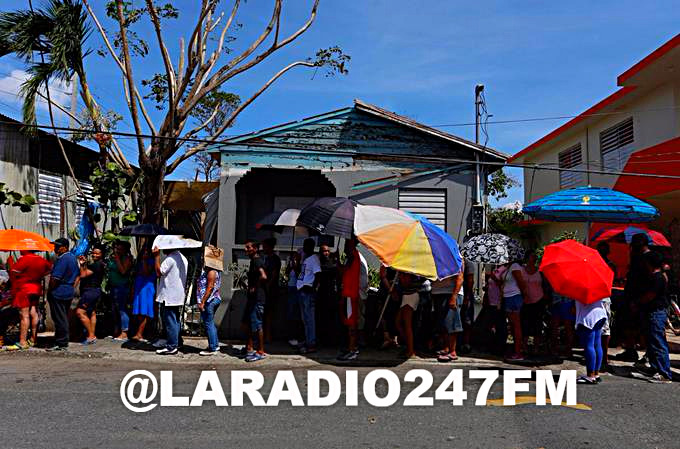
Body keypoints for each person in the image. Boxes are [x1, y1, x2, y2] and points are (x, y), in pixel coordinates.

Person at [638, 251, 673, 383]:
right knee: (652, 342)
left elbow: (650, 296)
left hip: (656, 312)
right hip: (653, 312)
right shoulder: (656, 276)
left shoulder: (657, 278)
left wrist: (638, 302)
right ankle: (655, 368)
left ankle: (664, 373)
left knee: (658, 343)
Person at [6, 250, 51, 350]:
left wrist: (11, 268)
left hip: (24, 289)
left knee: (24, 315)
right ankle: (33, 339)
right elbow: (49, 270)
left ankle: (22, 341)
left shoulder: (24, 259)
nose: (20, 250)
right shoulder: (41, 259)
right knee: (33, 312)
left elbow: (13, 273)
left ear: (26, 249)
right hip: (36, 288)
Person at [153, 246, 188, 355]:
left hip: (169, 295)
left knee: (170, 321)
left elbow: (159, 272)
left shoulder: (170, 259)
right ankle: (178, 342)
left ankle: (172, 346)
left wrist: (156, 257)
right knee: (175, 320)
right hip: (176, 295)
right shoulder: (183, 257)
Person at [337, 237, 367, 361]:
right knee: (350, 321)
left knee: (352, 322)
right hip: (350, 293)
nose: (344, 246)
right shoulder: (354, 256)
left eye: (347, 243)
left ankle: (352, 349)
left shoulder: (353, 256)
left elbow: (343, 271)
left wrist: (337, 262)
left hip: (352, 293)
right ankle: (351, 347)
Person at [47, 238, 79, 351]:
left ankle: (61, 342)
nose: (55, 248)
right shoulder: (72, 258)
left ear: (65, 247)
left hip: (59, 291)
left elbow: (55, 278)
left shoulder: (63, 259)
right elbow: (77, 276)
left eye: (58, 246)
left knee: (60, 318)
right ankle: (62, 340)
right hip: (68, 290)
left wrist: (50, 290)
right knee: (63, 316)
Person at [494, 259, 528, 361]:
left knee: (516, 326)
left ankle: (518, 352)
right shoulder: (508, 268)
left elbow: (521, 282)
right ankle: (516, 350)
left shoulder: (515, 266)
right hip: (507, 297)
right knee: (512, 325)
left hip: (514, 297)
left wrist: (524, 296)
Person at [433, 266, 464, 362]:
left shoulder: (456, 256)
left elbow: (460, 277)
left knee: (451, 323)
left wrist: (454, 296)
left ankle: (452, 351)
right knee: (443, 324)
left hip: (450, 292)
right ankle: (446, 348)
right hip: (438, 292)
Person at [243, 240, 267, 362]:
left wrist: (255, 287)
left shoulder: (257, 261)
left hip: (258, 298)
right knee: (248, 323)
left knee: (257, 325)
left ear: (256, 249)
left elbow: (263, 276)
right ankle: (250, 347)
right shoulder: (254, 261)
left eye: (248, 248)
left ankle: (261, 351)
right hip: (253, 298)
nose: (246, 250)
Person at [76, 246, 105, 345]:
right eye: (93, 253)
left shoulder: (96, 265)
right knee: (91, 312)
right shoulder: (100, 264)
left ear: (102, 255)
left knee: (80, 312)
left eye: (97, 253)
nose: (94, 255)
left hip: (90, 291)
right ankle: (92, 335)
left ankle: (91, 335)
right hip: (95, 290)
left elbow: (83, 275)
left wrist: (81, 264)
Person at [296, 238, 321, 354]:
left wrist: (313, 288)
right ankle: (307, 340)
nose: (304, 248)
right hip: (301, 290)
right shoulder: (306, 259)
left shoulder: (314, 259)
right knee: (304, 319)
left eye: (306, 246)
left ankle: (311, 343)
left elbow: (318, 274)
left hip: (308, 291)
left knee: (309, 319)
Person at [575, 298, 608, 384]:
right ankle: (596, 374)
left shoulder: (580, 287)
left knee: (589, 345)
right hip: (600, 314)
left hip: (588, 317)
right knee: (597, 344)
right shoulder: (597, 285)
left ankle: (590, 376)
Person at [197, 246, 223, 356]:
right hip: (211, 299)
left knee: (208, 323)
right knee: (210, 323)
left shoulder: (212, 271)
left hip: (209, 300)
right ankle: (214, 344)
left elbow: (210, 287)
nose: (203, 257)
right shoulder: (210, 269)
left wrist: (202, 301)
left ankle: (213, 347)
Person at [107, 240, 133, 342]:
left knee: (122, 309)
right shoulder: (113, 258)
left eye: (119, 249)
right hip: (113, 286)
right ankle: (116, 330)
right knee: (115, 310)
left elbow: (123, 271)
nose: (117, 250)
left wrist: (117, 258)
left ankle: (124, 332)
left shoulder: (127, 258)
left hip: (122, 287)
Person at [521, 252, 546, 355]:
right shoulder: (521, 270)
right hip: (525, 301)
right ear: (527, 259)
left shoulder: (540, 271)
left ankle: (536, 347)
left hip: (538, 301)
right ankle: (524, 346)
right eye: (532, 257)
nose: (534, 259)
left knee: (537, 325)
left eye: (535, 257)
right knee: (525, 324)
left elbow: (544, 285)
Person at [130, 244, 157, 342]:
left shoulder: (151, 261)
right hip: (139, 286)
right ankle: (140, 332)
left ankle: (140, 333)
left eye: (147, 251)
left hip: (146, 287)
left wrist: (145, 260)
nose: (145, 252)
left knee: (144, 311)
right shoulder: (139, 261)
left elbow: (147, 272)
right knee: (138, 310)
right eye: (144, 250)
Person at [395, 271, 424, 359]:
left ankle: (411, 351)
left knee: (407, 325)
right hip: (406, 295)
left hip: (411, 295)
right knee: (398, 323)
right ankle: (410, 346)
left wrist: (400, 276)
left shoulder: (409, 270)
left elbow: (406, 283)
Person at [596, 241, 616, 369]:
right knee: (603, 329)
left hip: (601, 297)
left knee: (602, 329)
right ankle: (603, 356)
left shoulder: (607, 265)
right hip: (602, 297)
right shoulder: (609, 265)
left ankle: (603, 356)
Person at [317, 244, 339, 347]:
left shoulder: (333, 262)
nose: (326, 253)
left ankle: (332, 340)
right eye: (324, 251)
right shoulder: (318, 263)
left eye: (327, 251)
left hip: (332, 293)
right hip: (322, 293)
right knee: (322, 317)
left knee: (332, 318)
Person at [262, 237, 281, 343]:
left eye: (265, 246)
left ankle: (268, 336)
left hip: (271, 289)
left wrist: (268, 285)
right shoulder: (266, 258)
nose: (263, 248)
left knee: (268, 313)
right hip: (265, 287)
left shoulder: (275, 259)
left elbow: (274, 274)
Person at [285, 251, 303, 347]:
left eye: (297, 257)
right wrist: (290, 265)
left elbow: (299, 275)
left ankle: (297, 336)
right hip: (291, 287)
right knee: (290, 312)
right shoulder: (292, 264)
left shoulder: (300, 266)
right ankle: (291, 336)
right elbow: (286, 273)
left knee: (296, 312)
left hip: (297, 288)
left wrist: (295, 266)